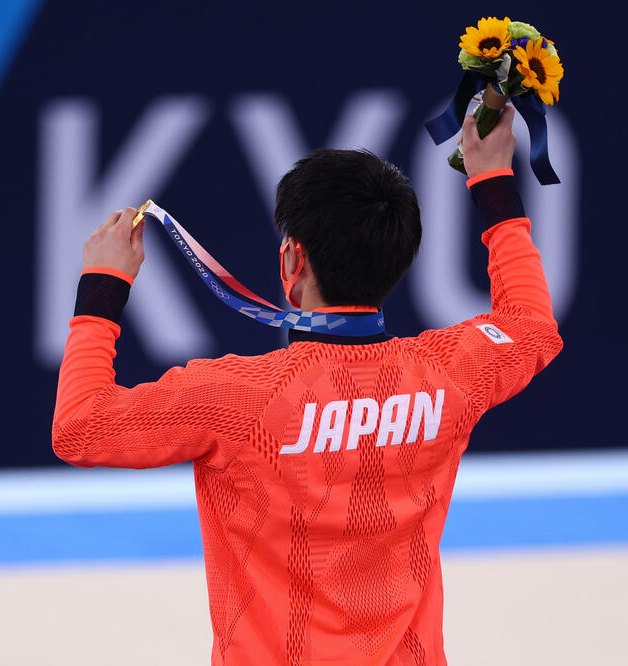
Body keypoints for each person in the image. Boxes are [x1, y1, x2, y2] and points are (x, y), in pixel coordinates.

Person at [51, 105, 562, 665]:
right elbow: (530, 326)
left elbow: (80, 428)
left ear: (292, 259)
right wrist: (493, 180)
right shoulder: (450, 373)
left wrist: (101, 290)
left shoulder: (236, 398)